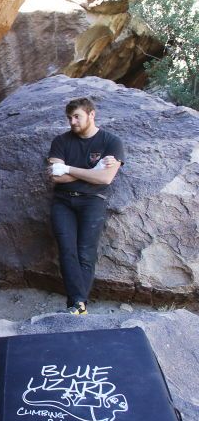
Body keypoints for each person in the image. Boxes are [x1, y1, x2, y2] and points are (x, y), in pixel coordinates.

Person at [47, 97, 124, 315]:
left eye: (77, 116)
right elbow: (56, 177)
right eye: (69, 117)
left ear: (91, 114)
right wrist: (93, 170)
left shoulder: (111, 142)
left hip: (93, 202)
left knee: (86, 253)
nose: (72, 121)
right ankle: (78, 304)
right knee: (66, 250)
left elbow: (106, 179)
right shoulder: (61, 141)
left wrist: (69, 169)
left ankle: (77, 304)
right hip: (63, 202)